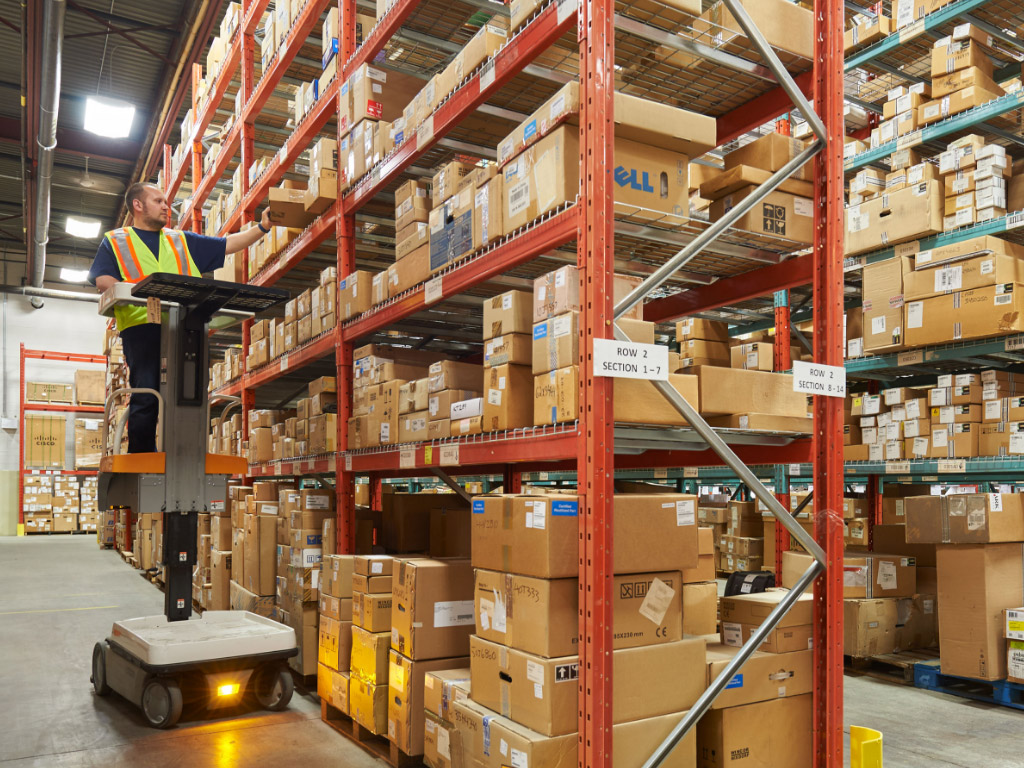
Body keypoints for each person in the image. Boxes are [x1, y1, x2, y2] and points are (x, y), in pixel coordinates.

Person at [89, 182, 272, 453]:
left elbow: (228, 245)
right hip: (142, 326)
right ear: (138, 205)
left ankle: (187, 456)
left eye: (167, 202)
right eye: (159, 201)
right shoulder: (116, 240)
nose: (166, 206)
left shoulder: (180, 240)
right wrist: (136, 292)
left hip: (186, 326)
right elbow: (103, 279)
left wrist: (263, 227)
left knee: (190, 395)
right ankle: (142, 458)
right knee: (147, 392)